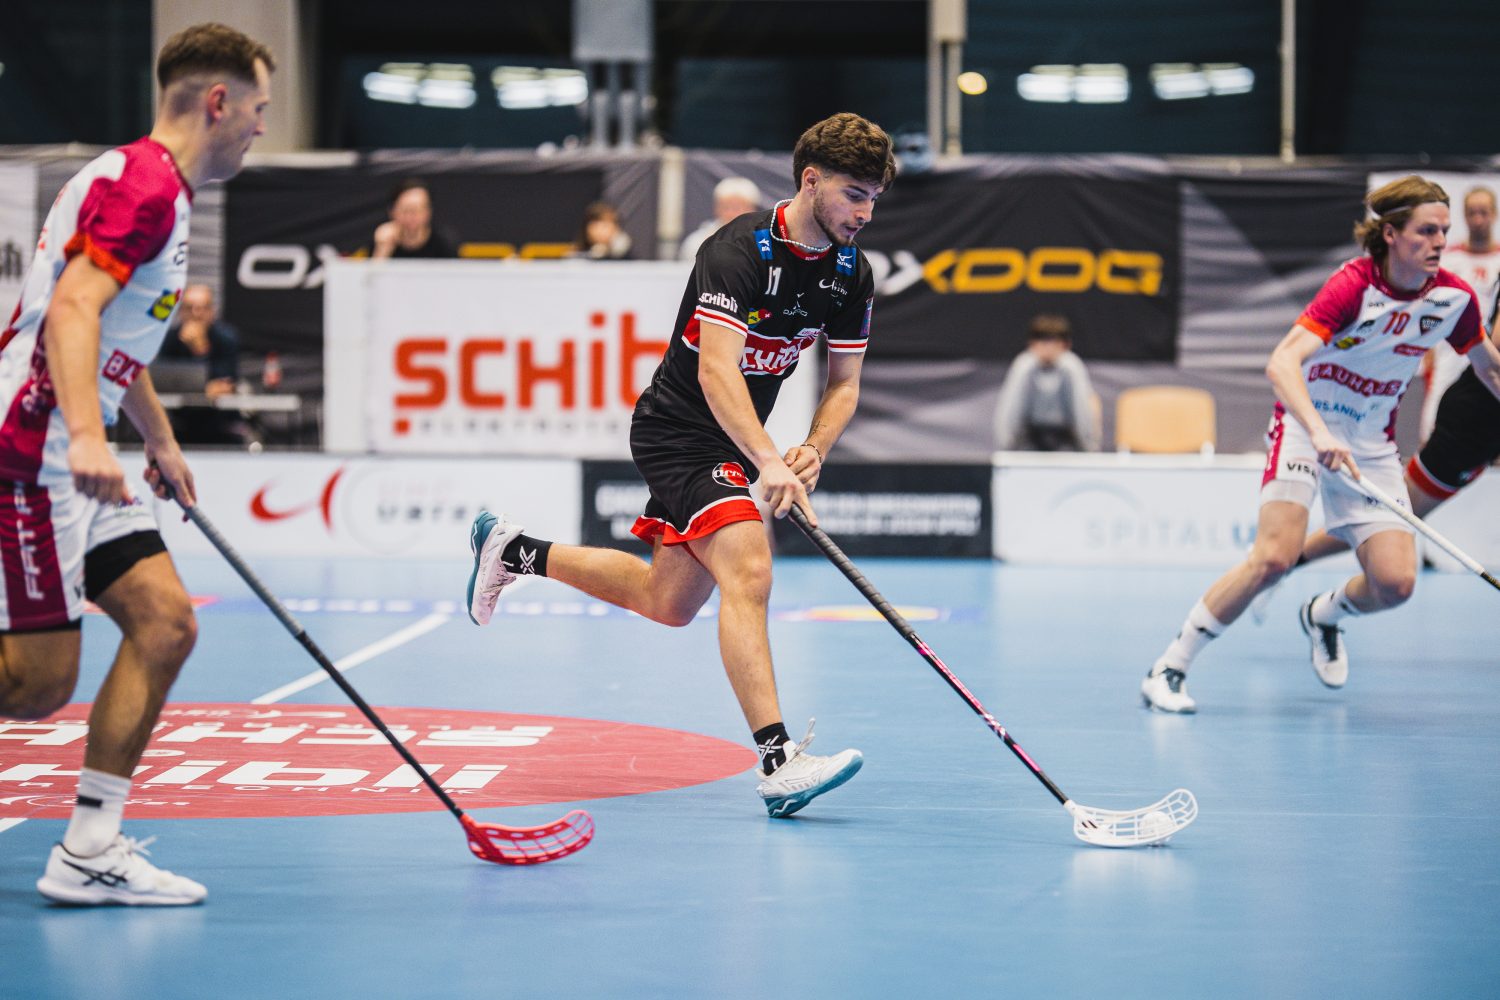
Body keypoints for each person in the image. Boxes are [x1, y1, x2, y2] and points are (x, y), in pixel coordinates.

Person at [467, 112, 896, 816]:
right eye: (854, 193)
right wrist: (768, 462)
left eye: (875, 196)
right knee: (750, 568)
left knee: (666, 604)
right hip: (679, 430)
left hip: (732, 442)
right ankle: (778, 761)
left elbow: (844, 385)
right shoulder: (739, 251)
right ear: (810, 181)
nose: (865, 212)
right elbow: (718, 375)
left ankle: (515, 551)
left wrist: (813, 448)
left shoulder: (852, 273)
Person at [0, 22, 273, 904]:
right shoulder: (148, 188)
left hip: (76, 443)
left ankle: (87, 849)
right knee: (39, 686)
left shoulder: (146, 183)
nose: (261, 128)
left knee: (164, 623)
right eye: (259, 109)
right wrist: (85, 436)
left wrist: (154, 436)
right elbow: (74, 312)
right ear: (218, 101)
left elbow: (117, 335)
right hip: (35, 447)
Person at [1140, 175, 1500, 714]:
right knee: (1273, 558)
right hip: (1306, 428)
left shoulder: (1453, 298)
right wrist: (1321, 430)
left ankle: (1323, 615)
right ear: (1391, 233)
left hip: (1371, 447)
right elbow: (1282, 362)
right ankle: (1170, 666)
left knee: (1396, 584)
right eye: (1426, 231)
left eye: (1443, 232)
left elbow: (1490, 369)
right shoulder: (1352, 286)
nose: (1438, 243)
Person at [1418, 186, 1500, 441]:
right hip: (1451, 350)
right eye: (1472, 213)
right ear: (1463, 216)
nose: (1478, 220)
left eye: (1483, 213)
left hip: (1492, 349)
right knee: (1434, 420)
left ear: (1494, 214)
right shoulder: (1446, 260)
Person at [992, 313, 1099, 451]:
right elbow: (1010, 411)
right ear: (1032, 345)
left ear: (1065, 345)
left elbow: (1082, 412)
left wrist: (1089, 448)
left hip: (1065, 443)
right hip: (1029, 442)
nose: (1048, 349)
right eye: (1043, 342)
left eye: (1053, 343)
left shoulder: (1072, 368)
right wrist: (1006, 448)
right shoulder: (1024, 367)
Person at [679, 177, 762, 261]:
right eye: (726, 207)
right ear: (717, 209)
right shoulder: (697, 242)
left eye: (738, 208)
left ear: (753, 209)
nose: (732, 214)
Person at [371, 178, 457, 259]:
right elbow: (370, 274)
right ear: (392, 211)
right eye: (406, 210)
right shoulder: (380, 240)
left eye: (417, 210)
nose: (411, 217)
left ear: (428, 212)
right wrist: (382, 250)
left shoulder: (444, 244)